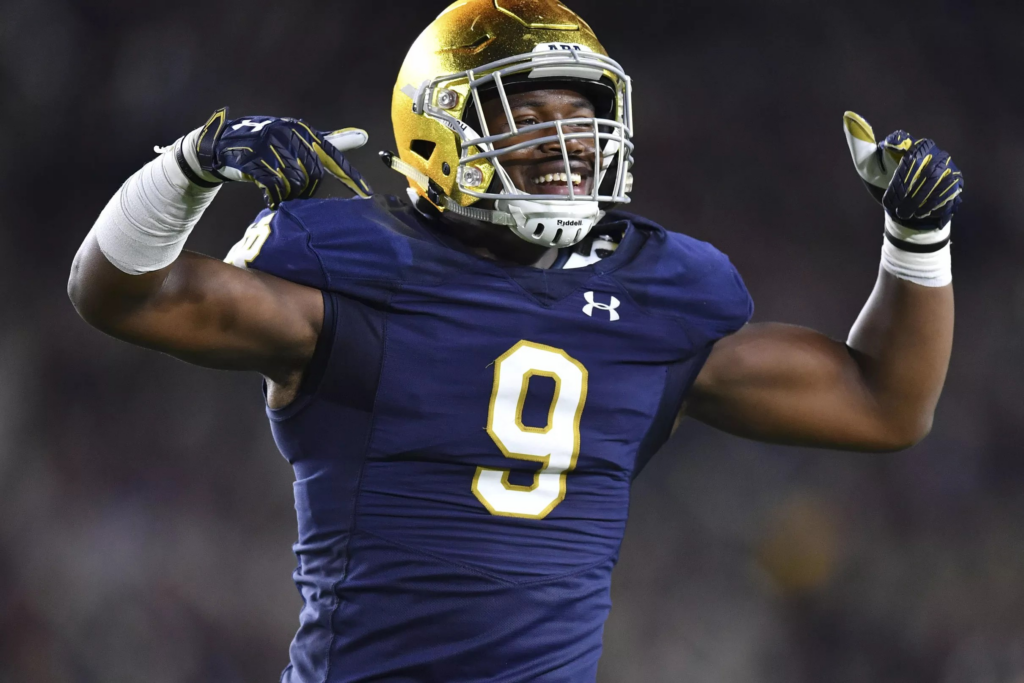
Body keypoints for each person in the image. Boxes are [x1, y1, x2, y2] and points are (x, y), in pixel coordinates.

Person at [67, 0, 963, 680]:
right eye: (528, 115)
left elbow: (886, 405)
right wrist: (188, 168)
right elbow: (116, 296)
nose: (567, 141)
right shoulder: (361, 278)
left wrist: (917, 241)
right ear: (437, 127)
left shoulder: (656, 302)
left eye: (582, 115)